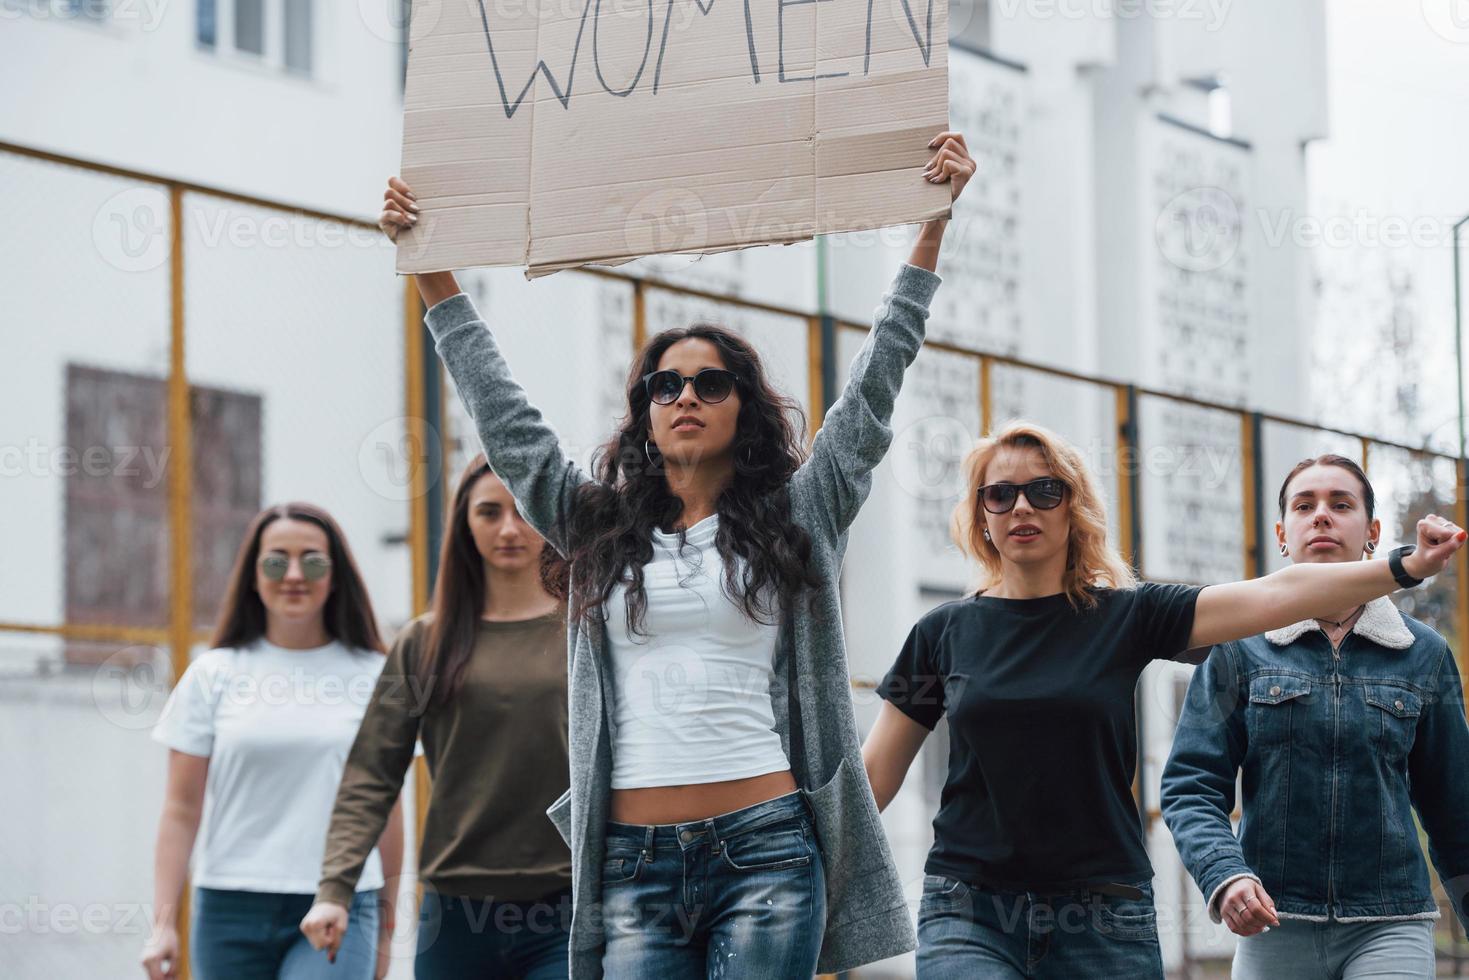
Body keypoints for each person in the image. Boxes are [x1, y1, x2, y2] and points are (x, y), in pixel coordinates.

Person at [375, 129, 975, 978]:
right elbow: (503, 418)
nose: (684, 395)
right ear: (645, 412)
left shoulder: (800, 512)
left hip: (765, 850)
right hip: (629, 861)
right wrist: (430, 267)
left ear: (743, 407)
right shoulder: (595, 529)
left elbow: (877, 383)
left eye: (708, 382)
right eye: (665, 384)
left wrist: (929, 226)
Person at [861, 422, 1466, 979]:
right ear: (980, 516)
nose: (1021, 506)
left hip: (1104, 912)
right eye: (1000, 494)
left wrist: (1407, 566)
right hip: (969, 911)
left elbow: (1278, 594)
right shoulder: (941, 635)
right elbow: (873, 780)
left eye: (1045, 490)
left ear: (1073, 508)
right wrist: (802, 873)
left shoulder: (1128, 615)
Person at [1162, 454, 1469, 979]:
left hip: (1390, 921)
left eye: (1340, 504)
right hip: (1274, 923)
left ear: (1372, 532)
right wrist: (1226, 875)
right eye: (1305, 505)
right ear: (1283, 534)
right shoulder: (1239, 647)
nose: (1321, 515)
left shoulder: (1424, 653)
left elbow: (1455, 807)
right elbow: (1191, 785)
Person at [299, 456, 575, 978]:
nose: (509, 528)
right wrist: (334, 890)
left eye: (522, 511)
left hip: (568, 907)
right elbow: (370, 776)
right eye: (489, 512)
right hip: (454, 913)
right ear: (465, 525)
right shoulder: (425, 643)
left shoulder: (587, 633)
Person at [140, 503, 403, 980]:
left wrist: (386, 927)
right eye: (277, 560)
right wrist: (162, 926)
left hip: (340, 903)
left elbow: (388, 808)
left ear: (336, 574)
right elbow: (180, 810)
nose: (295, 574)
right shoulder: (212, 674)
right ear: (254, 575)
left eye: (314, 560)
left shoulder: (376, 677)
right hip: (228, 908)